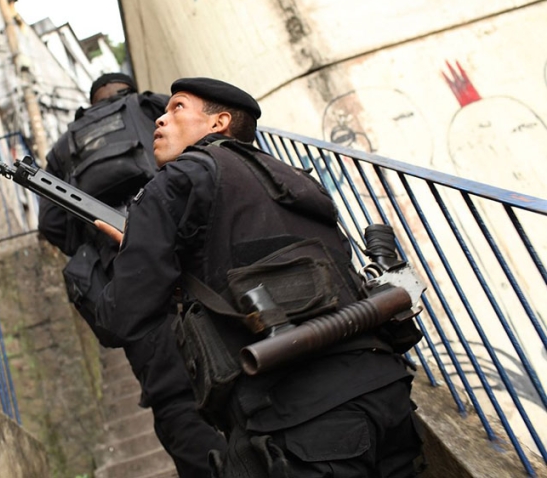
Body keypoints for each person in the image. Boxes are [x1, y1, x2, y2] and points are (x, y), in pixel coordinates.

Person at [94, 77, 424, 477]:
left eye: (177, 107)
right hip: (387, 390)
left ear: (218, 123)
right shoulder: (295, 179)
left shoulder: (178, 179)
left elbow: (121, 316)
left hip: (303, 417)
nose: (160, 120)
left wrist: (133, 252)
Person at [38, 73, 226, 478]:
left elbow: (52, 225)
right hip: (193, 259)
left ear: (91, 103)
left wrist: (100, 235)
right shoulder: (153, 108)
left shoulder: (64, 147)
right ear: (128, 90)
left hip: (129, 284)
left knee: (176, 405)